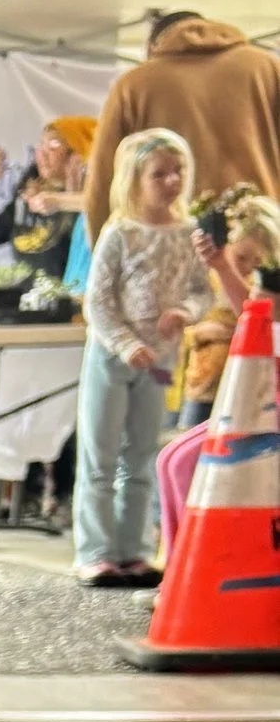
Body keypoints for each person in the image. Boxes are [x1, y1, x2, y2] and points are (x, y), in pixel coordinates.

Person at [75, 128, 215, 585]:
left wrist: (184, 312)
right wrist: (124, 343)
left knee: (140, 455)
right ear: (136, 178)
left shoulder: (186, 231)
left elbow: (199, 289)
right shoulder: (120, 232)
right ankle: (94, 551)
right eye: (160, 174)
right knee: (101, 453)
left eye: (178, 172)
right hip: (113, 358)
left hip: (159, 361)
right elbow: (97, 300)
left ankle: (132, 550)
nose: (171, 181)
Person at [82, 16, 280, 243]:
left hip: (170, 243)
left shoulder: (133, 85)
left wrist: (102, 247)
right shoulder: (269, 69)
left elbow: (102, 178)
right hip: (262, 235)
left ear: (152, 46)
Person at [175, 189, 280, 428]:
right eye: (242, 257)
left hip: (250, 390)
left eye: (258, 262)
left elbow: (255, 318)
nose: (249, 268)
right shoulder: (206, 276)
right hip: (204, 386)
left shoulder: (264, 285)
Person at [0, 117, 91, 315]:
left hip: (71, 314)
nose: (42, 154)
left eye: (53, 145)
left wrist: (69, 199)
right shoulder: (29, 204)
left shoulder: (89, 208)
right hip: (29, 312)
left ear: (78, 153)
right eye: (40, 145)